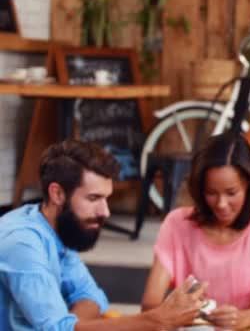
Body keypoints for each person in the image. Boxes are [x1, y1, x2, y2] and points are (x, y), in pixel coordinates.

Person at [0, 139, 208, 330]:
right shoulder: (22, 243)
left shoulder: (56, 227)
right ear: (57, 194)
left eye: (106, 198)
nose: (105, 212)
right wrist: (157, 320)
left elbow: (91, 296)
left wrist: (72, 324)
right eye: (93, 198)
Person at [141, 132, 250, 329]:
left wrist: (239, 320)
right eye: (211, 193)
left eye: (231, 193)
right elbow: (150, 306)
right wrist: (176, 312)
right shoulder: (177, 223)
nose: (221, 204)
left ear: (248, 184)